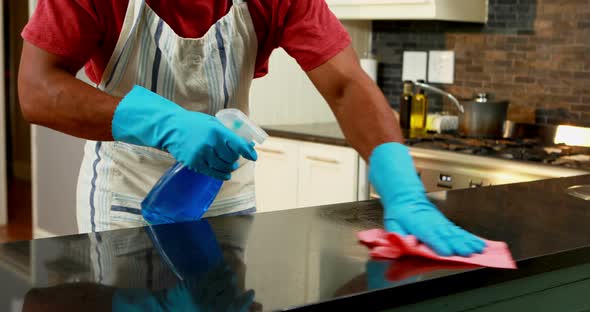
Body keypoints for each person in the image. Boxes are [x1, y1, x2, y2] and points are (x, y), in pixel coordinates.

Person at [18, 0, 485, 256]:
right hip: (128, 199)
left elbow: (345, 85)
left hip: (225, 199)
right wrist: (163, 123)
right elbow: (37, 88)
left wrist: (402, 188)